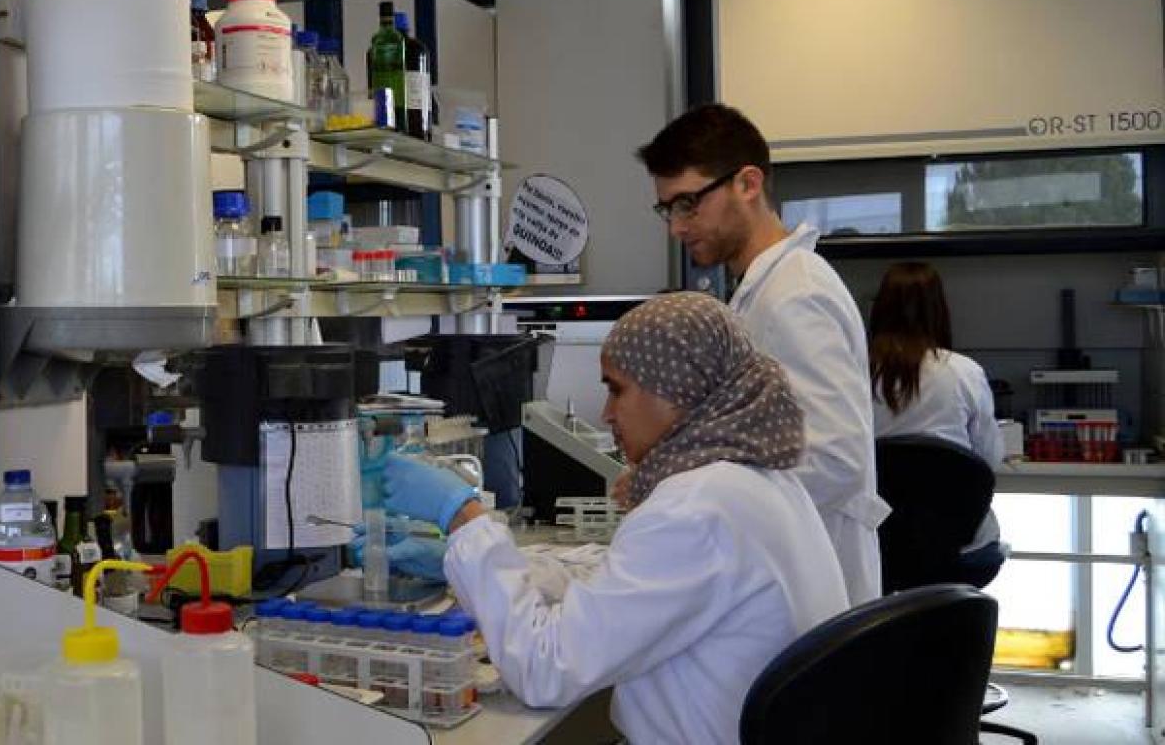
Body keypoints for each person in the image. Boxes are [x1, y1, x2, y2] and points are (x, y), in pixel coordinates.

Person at [380, 294, 848, 744]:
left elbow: (545, 671)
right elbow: (621, 576)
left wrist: (465, 517)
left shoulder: (695, 507)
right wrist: (464, 561)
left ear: (676, 389)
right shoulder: (761, 482)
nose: (605, 414)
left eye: (617, 389)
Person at [638, 103, 887, 604]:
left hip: (813, 577)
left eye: (688, 203)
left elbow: (836, 459)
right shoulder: (766, 289)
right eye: (668, 209)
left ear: (747, 184)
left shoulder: (795, 295)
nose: (677, 227)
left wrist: (705, 495)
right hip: (786, 570)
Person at [868, 261, 1006, 573]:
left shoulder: (851, 373)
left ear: (880, 310)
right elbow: (989, 461)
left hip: (878, 549)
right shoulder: (963, 372)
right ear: (939, 310)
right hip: (959, 547)